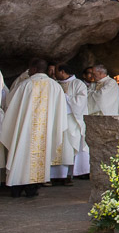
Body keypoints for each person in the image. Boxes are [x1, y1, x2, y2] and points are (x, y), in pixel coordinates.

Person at [0, 58, 68, 197]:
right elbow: (60, 111)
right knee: (39, 159)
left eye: (30, 69)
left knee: (20, 154)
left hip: (24, 130)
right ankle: (32, 188)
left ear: (34, 69)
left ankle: (16, 188)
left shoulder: (25, 84)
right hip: (45, 132)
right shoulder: (55, 86)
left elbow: (9, 102)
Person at [53, 64, 89, 183]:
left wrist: (66, 98)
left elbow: (81, 102)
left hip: (70, 120)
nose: (54, 74)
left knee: (67, 148)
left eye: (56, 71)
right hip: (55, 119)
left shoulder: (78, 84)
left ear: (62, 72)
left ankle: (66, 175)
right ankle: (53, 175)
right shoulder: (54, 83)